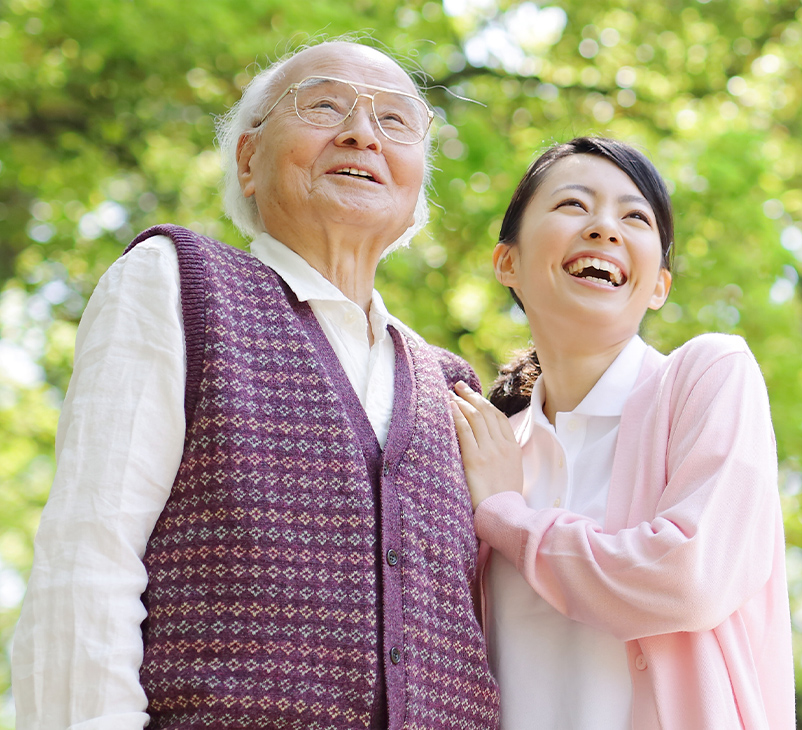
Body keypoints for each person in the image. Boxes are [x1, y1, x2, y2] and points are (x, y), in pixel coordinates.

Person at [12, 41, 500, 728]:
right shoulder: (175, 283)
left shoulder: (452, 386)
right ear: (248, 160)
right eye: (325, 104)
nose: (362, 133)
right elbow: (89, 563)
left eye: (395, 121)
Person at [446, 137, 794, 729]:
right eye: (573, 206)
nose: (604, 228)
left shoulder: (707, 376)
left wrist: (508, 517)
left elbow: (689, 577)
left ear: (658, 284)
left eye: (634, 217)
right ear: (508, 263)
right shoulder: (488, 445)